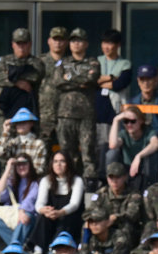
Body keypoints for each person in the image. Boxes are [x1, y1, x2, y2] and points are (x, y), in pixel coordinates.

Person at [54, 28, 100, 185]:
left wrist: (70, 80)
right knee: (67, 153)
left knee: (88, 152)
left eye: (79, 41)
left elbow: (90, 79)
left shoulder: (93, 62)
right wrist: (78, 81)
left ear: (86, 44)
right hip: (65, 114)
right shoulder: (63, 63)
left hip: (85, 115)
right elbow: (58, 82)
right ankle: (67, 182)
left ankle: (89, 184)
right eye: (73, 41)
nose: (75, 44)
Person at [28, 149, 85, 254]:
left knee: (66, 219)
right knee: (42, 217)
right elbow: (39, 203)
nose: (58, 164)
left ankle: (55, 251)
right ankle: (38, 251)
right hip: (52, 216)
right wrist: (43, 210)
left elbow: (74, 204)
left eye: (62, 161)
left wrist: (61, 212)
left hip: (70, 216)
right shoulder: (46, 180)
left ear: (68, 164)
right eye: (55, 161)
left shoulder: (77, 180)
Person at [0, 28, 45, 140]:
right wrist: (17, 82)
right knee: (5, 143)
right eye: (18, 43)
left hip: (28, 111)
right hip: (5, 110)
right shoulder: (4, 61)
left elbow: (34, 75)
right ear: (12, 44)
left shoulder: (36, 62)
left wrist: (10, 75)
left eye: (24, 43)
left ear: (30, 44)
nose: (21, 47)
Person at [0, 154, 39, 247]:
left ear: (30, 165)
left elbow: (31, 199)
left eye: (24, 164)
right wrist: (7, 170)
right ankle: (19, 244)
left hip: (28, 220)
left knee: (26, 216)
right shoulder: (11, 181)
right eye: (18, 164)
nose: (21, 167)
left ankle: (14, 249)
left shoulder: (36, 182)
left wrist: (21, 212)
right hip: (11, 218)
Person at [95, 29, 132, 152]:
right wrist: (110, 77)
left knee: (112, 146)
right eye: (104, 43)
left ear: (118, 45)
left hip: (115, 108)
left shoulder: (125, 63)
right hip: (97, 110)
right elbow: (91, 82)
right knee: (97, 147)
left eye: (110, 43)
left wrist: (100, 82)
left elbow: (120, 84)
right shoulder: (96, 61)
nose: (106, 47)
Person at [107, 106, 158, 190]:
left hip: (145, 168)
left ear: (141, 121)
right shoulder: (124, 134)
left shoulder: (149, 132)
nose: (129, 124)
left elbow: (156, 144)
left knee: (153, 155)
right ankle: (111, 185)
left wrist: (138, 156)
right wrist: (116, 120)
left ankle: (151, 189)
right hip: (127, 167)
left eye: (133, 121)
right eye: (126, 121)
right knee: (111, 154)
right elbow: (112, 145)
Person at [89, 161, 143, 242]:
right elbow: (90, 211)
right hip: (105, 225)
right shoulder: (100, 193)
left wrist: (116, 217)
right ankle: (86, 250)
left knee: (126, 226)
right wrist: (104, 221)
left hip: (124, 226)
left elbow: (132, 214)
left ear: (125, 177)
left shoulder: (134, 194)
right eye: (111, 178)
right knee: (87, 225)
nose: (114, 181)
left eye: (117, 177)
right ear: (107, 179)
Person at [37, 25, 68, 156]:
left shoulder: (71, 63)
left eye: (61, 39)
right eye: (55, 39)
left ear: (66, 42)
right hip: (44, 115)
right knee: (42, 153)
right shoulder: (39, 62)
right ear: (49, 41)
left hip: (66, 114)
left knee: (67, 152)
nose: (58, 43)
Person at [0, 108, 47, 177]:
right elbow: (0, 152)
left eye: (24, 122)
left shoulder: (39, 144)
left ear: (31, 124)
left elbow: (39, 168)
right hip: (13, 180)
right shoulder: (12, 142)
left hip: (32, 181)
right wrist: (5, 131)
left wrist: (24, 176)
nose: (21, 124)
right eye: (18, 123)